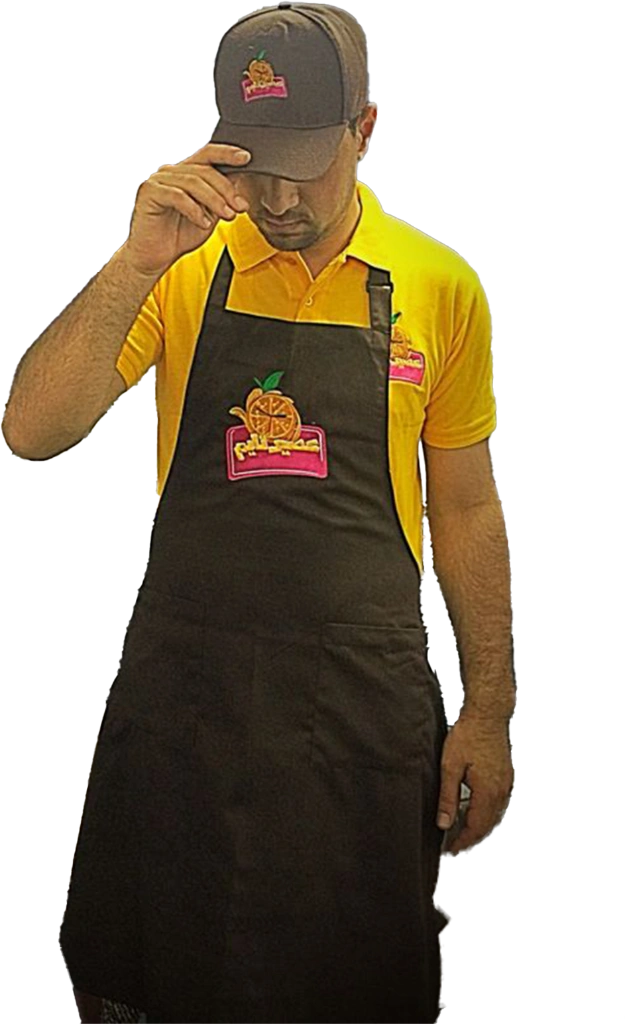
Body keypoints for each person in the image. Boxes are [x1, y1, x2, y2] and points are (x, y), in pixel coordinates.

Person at [2, 4, 514, 1022]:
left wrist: (489, 712)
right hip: (186, 707)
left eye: (305, 165)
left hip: (361, 716)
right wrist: (136, 261)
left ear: (365, 129)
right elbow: (31, 430)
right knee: (149, 982)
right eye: (255, 163)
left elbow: (464, 509)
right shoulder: (186, 265)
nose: (276, 196)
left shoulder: (439, 288)